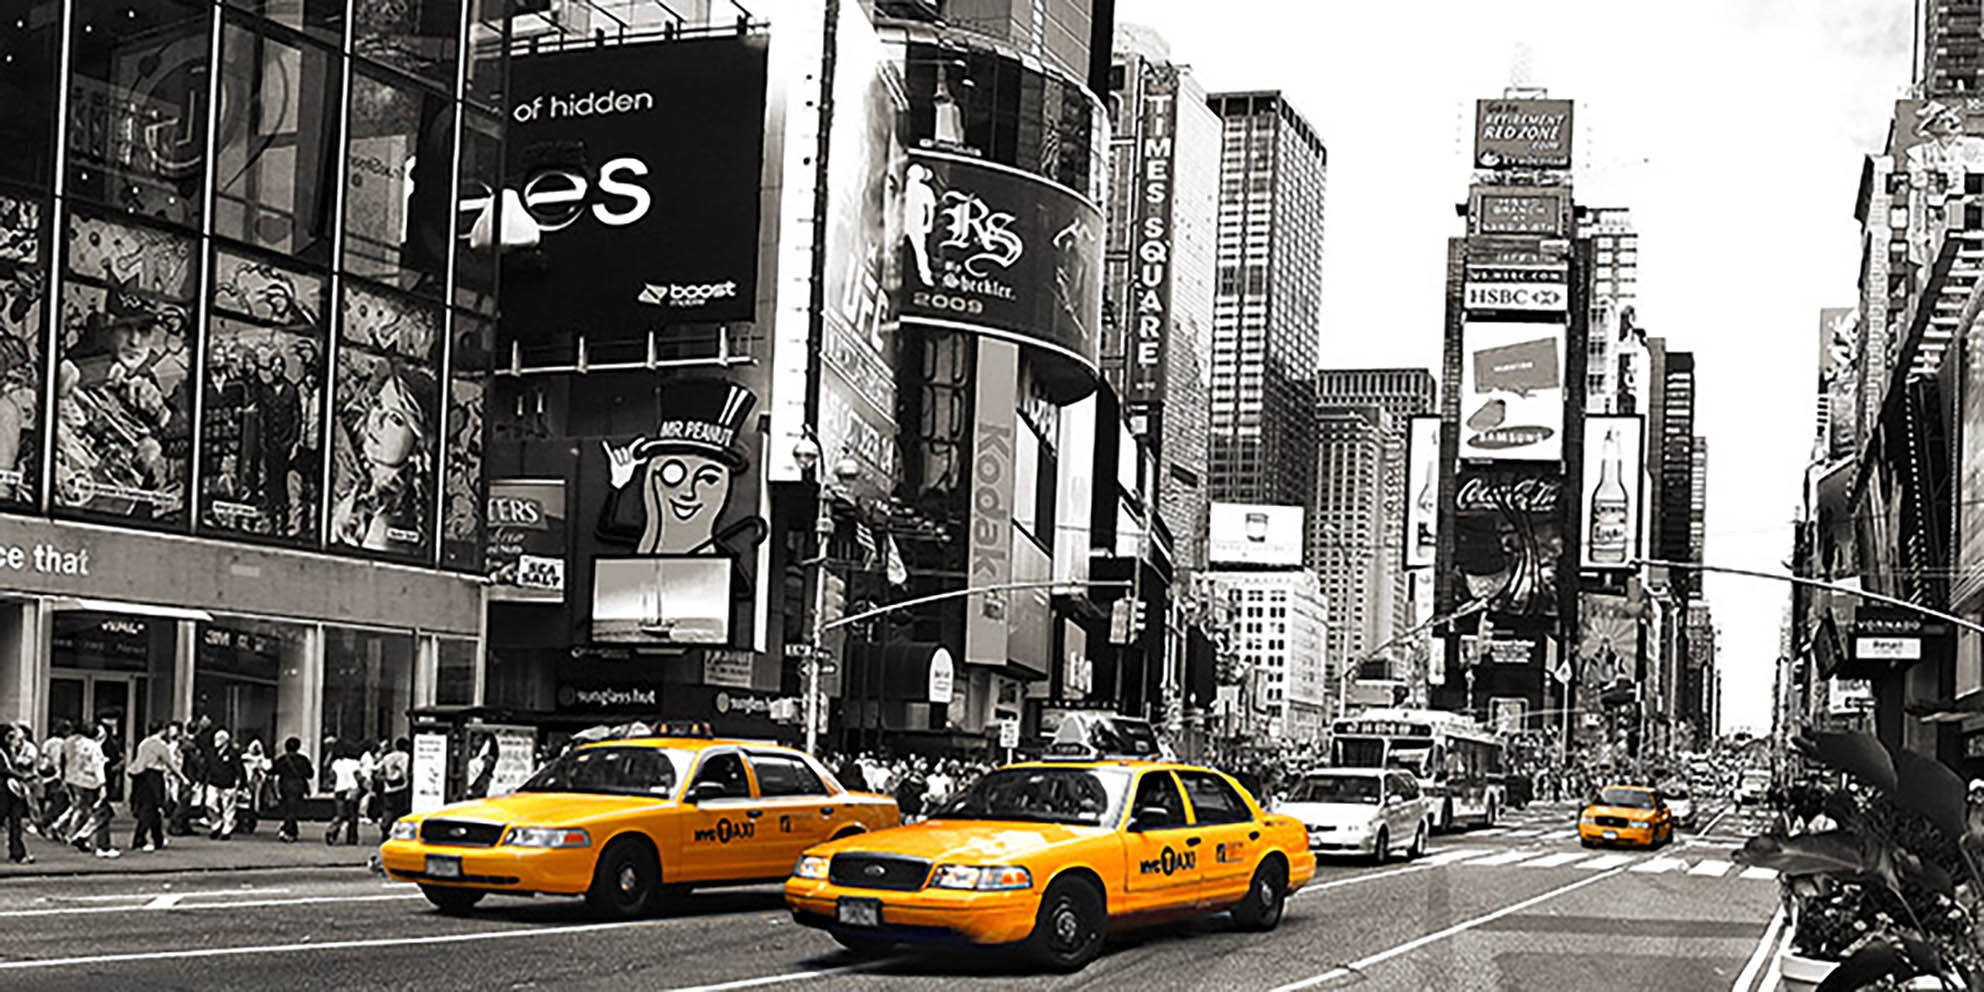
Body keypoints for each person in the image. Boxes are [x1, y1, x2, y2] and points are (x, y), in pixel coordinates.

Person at [127, 721, 177, 852]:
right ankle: (139, 839)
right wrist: (183, 778)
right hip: (154, 776)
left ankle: (158, 839)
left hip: (141, 777)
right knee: (150, 809)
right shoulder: (161, 745)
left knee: (152, 809)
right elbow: (170, 763)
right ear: (162, 730)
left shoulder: (143, 743)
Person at [68, 724, 117, 858]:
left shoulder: (78, 745)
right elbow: (97, 767)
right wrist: (103, 785)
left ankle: (81, 836)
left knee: (88, 811)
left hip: (78, 781)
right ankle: (100, 845)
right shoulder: (95, 747)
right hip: (92, 783)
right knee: (103, 813)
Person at [204, 729, 245, 840]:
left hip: (229, 784)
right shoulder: (211, 752)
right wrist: (201, 780)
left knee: (229, 808)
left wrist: (241, 785)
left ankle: (226, 829)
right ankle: (216, 823)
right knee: (209, 804)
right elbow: (206, 766)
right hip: (213, 782)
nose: (217, 741)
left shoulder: (233, 753)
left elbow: (239, 769)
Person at [270, 738, 313, 843]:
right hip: (299, 787)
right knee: (293, 809)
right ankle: (290, 830)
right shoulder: (303, 760)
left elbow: (273, 771)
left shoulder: (282, 760)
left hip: (285, 786)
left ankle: (288, 830)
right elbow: (310, 774)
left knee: (288, 809)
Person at [0, 724, 32, 864]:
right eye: (10, 736)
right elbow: (3, 769)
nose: (12, 739)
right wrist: (21, 776)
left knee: (16, 822)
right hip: (2, 789)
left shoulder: (10, 751)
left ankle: (18, 852)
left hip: (12, 790)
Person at [326, 744, 362, 847]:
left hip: (339, 789)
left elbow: (332, 777)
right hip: (352, 789)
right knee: (352, 816)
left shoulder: (336, 763)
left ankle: (332, 831)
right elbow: (358, 776)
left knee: (340, 814)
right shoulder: (355, 763)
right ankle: (351, 838)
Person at [378, 737, 410, 842]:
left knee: (388, 810)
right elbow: (405, 770)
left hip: (388, 787)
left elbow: (378, 770)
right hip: (402, 787)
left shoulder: (387, 757)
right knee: (403, 811)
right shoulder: (405, 756)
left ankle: (385, 829)